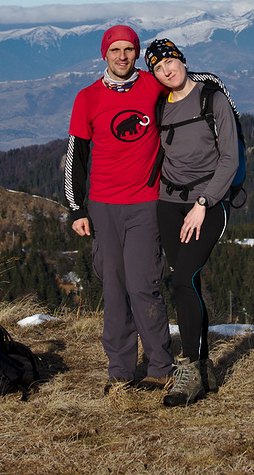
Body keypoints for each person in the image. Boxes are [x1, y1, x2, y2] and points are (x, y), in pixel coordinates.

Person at [64, 25, 174, 394]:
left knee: (144, 285)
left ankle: (160, 366)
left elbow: (190, 81)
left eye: (129, 49)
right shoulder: (88, 97)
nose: (123, 56)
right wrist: (76, 208)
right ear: (104, 54)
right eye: (116, 50)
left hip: (146, 203)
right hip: (103, 207)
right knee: (113, 288)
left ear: (137, 53)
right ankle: (120, 371)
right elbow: (76, 157)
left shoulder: (153, 86)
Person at [143, 38, 240, 407]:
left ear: (182, 60)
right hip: (168, 203)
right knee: (189, 282)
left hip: (207, 203)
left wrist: (204, 202)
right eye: (158, 67)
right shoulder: (158, 105)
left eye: (170, 60)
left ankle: (188, 369)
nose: (166, 69)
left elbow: (229, 159)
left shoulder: (211, 99)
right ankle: (204, 369)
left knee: (182, 279)